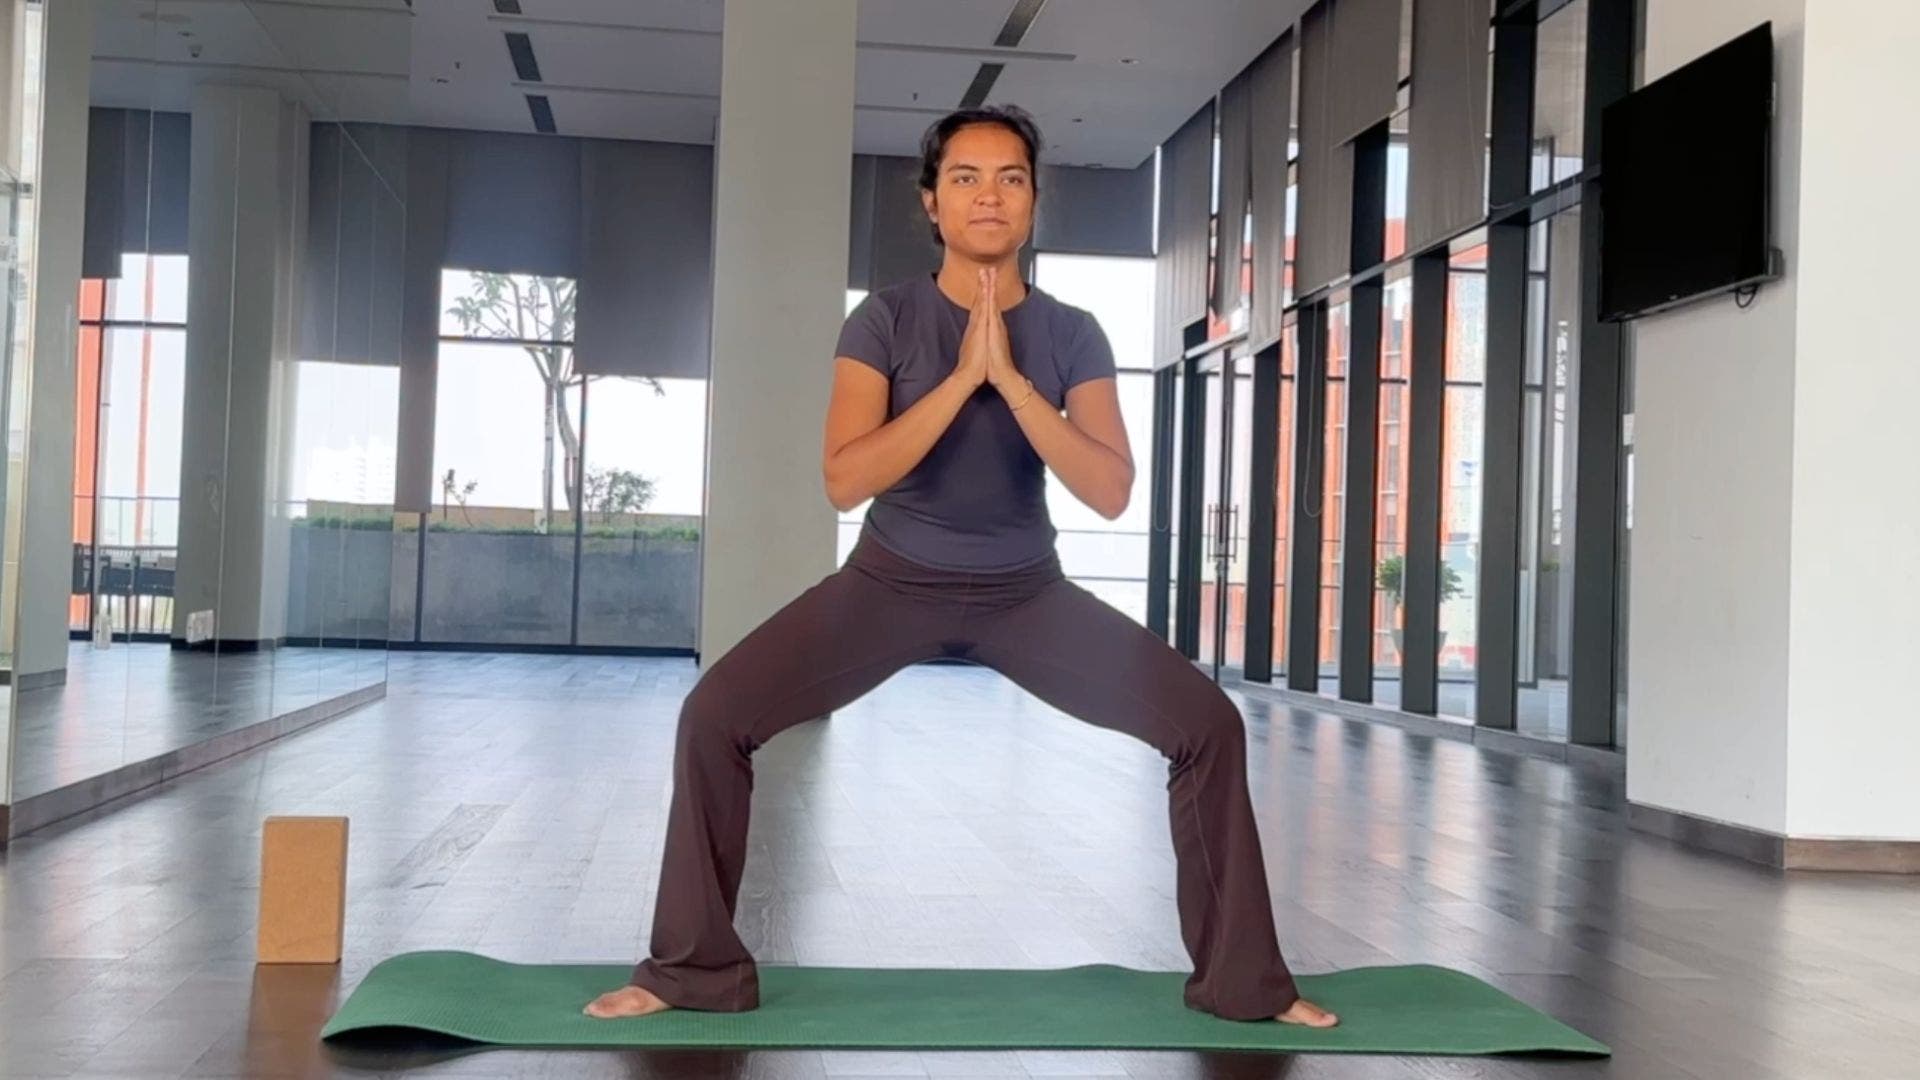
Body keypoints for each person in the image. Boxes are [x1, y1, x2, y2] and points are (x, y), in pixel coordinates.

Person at [585, 105, 1337, 1029]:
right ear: (933, 203)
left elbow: (1108, 491)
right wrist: (958, 379)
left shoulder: (1072, 333)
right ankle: (686, 972)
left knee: (1209, 726)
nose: (990, 195)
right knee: (713, 717)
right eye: (967, 178)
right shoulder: (886, 319)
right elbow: (844, 479)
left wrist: (1012, 380)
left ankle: (1243, 985)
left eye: (1011, 178)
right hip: (888, 583)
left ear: (1032, 202)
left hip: (1029, 595)